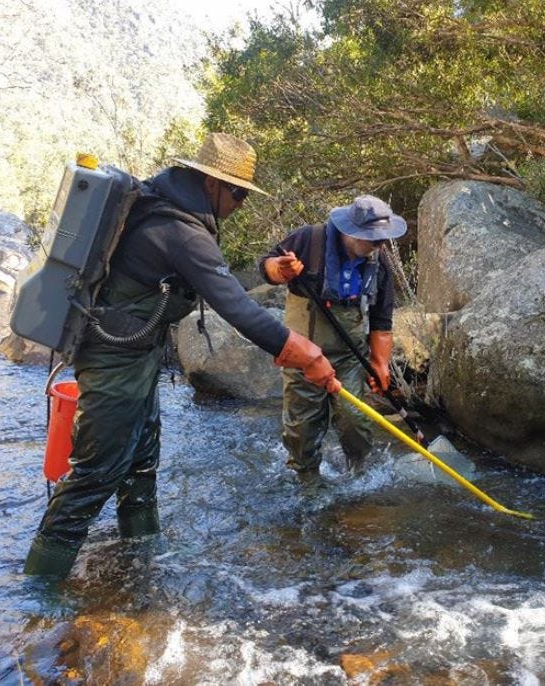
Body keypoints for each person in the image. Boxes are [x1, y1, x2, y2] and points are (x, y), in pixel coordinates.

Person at [24, 132, 340, 578]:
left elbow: (220, 282)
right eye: (238, 193)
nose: (241, 203)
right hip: (115, 359)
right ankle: (39, 587)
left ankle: (142, 553)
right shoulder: (180, 229)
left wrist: (271, 273)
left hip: (134, 352)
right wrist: (307, 354)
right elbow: (236, 307)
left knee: (140, 459)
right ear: (211, 183)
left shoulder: (167, 204)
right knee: (97, 473)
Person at [259, 195, 407, 484]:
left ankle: (362, 478)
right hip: (301, 354)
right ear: (351, 232)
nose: (380, 245)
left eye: (382, 239)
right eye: (373, 239)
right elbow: (265, 266)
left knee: (356, 421)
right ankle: (307, 481)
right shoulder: (308, 240)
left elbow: (381, 319)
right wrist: (279, 269)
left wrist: (380, 363)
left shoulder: (379, 262)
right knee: (303, 426)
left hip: (348, 357)